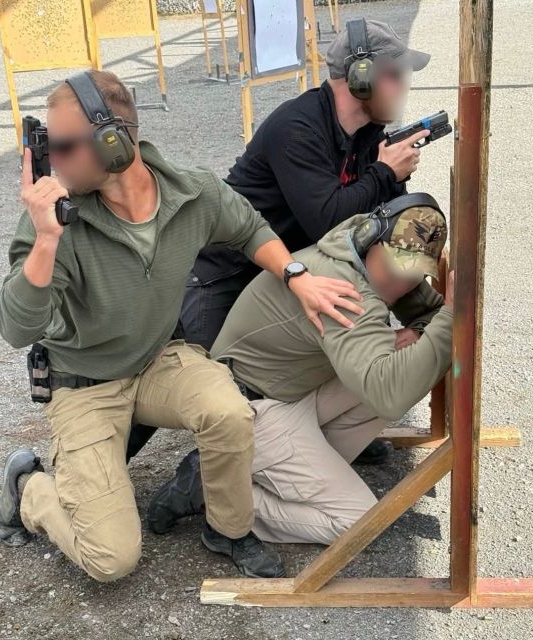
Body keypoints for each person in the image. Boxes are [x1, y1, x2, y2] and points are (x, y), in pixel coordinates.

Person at [0, 71, 364, 581]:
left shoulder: (192, 193)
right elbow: (16, 328)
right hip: (83, 384)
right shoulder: (55, 219)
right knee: (111, 559)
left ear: (113, 142)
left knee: (230, 412)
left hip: (155, 361)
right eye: (47, 145)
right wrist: (46, 241)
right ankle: (28, 490)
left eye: (62, 146)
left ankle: (227, 528)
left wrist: (296, 275)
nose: (51, 161)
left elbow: (249, 228)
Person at [129, 18, 434, 464]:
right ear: (360, 76)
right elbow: (327, 219)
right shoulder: (297, 126)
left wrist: (394, 184)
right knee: (203, 380)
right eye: (394, 73)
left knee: (333, 330)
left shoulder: (367, 136)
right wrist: (385, 171)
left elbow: (380, 224)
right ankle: (85, 472)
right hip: (223, 275)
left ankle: (318, 433)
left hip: (288, 273)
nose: (403, 84)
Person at [147, 194, 454, 543]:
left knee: (404, 360)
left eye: (414, 275)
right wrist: (448, 318)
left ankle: (267, 469)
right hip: (248, 410)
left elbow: (425, 316)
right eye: (395, 267)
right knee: (358, 523)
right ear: (372, 238)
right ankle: (214, 490)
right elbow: (391, 395)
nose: (400, 284)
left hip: (289, 390)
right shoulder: (344, 289)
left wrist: (419, 331)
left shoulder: (360, 252)